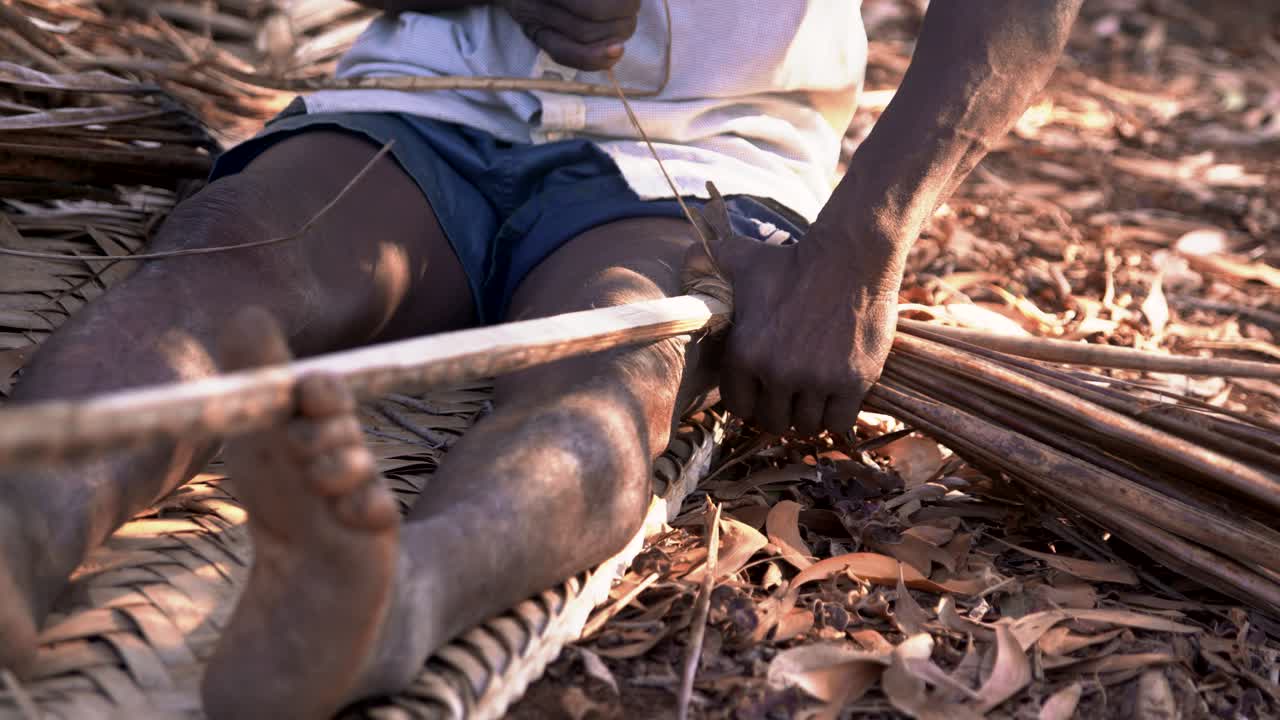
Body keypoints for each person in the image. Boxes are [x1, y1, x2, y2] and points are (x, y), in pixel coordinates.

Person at [0, 1, 1082, 717]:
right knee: (222, 266)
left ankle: (391, 599)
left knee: (612, 358)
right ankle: (23, 519)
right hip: (414, 104)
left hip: (707, 148)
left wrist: (859, 245)